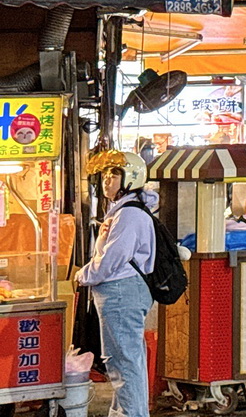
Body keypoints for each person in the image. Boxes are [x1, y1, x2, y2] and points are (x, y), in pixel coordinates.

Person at [78, 151, 157, 417]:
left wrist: (84, 275)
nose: (107, 180)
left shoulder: (129, 215)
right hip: (120, 292)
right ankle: (123, 412)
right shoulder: (123, 211)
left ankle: (132, 414)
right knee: (124, 361)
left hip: (121, 292)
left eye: (115, 174)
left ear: (131, 179)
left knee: (123, 362)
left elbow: (113, 258)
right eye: (105, 174)